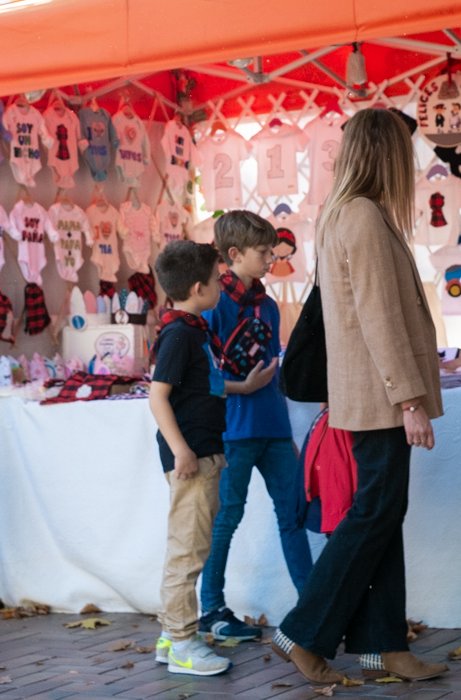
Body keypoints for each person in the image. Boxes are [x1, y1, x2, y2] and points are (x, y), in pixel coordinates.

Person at [272, 109, 449, 683]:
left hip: (368, 393)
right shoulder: (363, 217)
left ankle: (383, 645)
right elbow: (378, 318)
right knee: (375, 512)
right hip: (378, 397)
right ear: (386, 154)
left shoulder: (346, 214)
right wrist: (408, 399)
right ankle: (303, 631)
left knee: (382, 513)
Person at [149, 240, 277, 676]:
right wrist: (182, 449)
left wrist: (243, 387)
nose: (224, 286)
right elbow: (158, 396)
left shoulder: (192, 329)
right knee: (187, 553)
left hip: (207, 451)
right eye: (217, 278)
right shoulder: (180, 334)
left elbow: (205, 385)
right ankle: (184, 643)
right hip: (194, 456)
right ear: (200, 287)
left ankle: (172, 635)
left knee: (190, 547)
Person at [198, 210, 313, 641]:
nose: (271, 259)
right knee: (226, 518)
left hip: (274, 428)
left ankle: (313, 606)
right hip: (233, 431)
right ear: (234, 254)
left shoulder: (267, 305)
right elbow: (203, 378)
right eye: (264, 251)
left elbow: (273, 365)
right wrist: (242, 387)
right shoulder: (211, 304)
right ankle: (212, 609)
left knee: (294, 513)